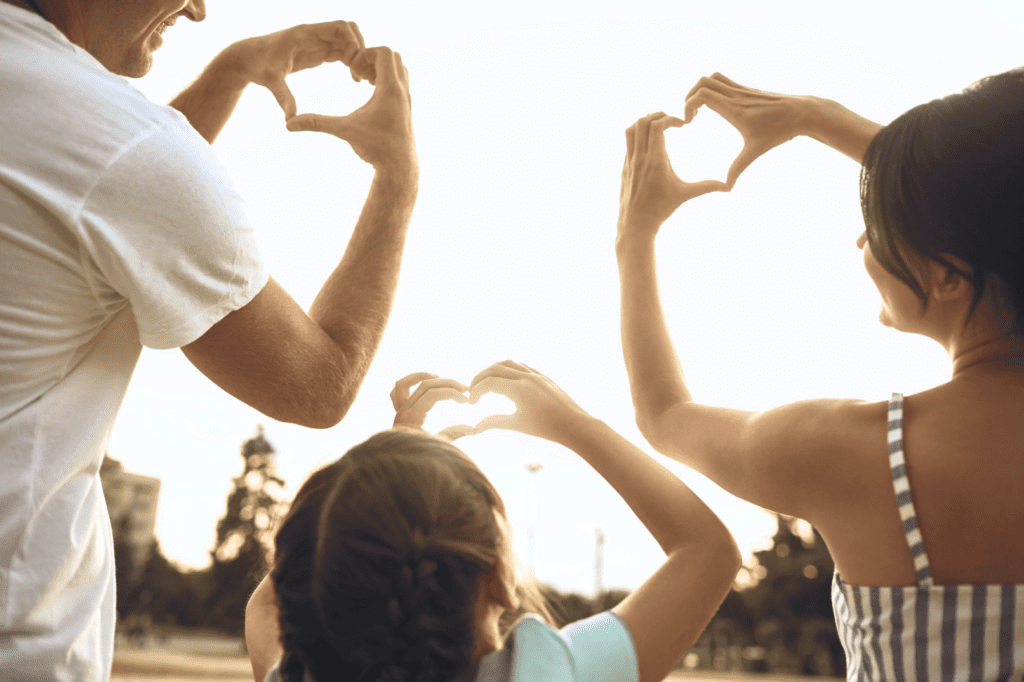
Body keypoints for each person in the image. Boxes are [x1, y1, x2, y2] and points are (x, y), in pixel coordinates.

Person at [1, 0, 417, 677]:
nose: (197, 9)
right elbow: (319, 385)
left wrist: (233, 70)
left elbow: (101, 196)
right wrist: (397, 180)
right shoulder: (121, 147)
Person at [616, 70, 1024, 681]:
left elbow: (664, 415)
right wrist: (818, 117)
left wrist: (634, 237)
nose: (863, 235)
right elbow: (993, 200)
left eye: (883, 220)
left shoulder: (860, 452)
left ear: (949, 279)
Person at [244, 364, 742, 682]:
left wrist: (379, 476)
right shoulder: (551, 675)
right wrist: (577, 427)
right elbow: (707, 551)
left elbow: (270, 604)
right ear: (501, 581)